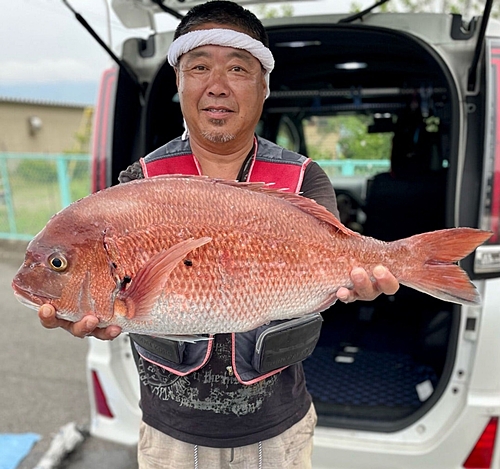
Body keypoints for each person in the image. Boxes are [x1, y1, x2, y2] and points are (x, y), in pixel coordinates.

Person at [38, 2, 399, 468]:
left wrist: (356, 281)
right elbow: (119, 305)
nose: (217, 85)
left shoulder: (304, 179)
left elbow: (330, 271)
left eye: (237, 68)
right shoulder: (138, 182)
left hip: (279, 431)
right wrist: (100, 314)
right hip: (171, 437)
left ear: (264, 85)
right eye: (200, 66)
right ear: (179, 81)